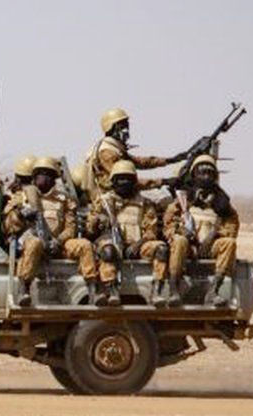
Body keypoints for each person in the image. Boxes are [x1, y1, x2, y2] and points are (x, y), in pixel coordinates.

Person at [3, 157, 105, 306]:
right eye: (39, 174)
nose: (43, 178)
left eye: (47, 174)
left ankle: (92, 290)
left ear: (53, 179)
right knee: (34, 243)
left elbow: (71, 228)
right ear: (34, 177)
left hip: (59, 244)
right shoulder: (22, 197)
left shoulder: (64, 200)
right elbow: (7, 227)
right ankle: (24, 290)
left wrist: (58, 241)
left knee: (84, 245)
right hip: (35, 243)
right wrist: (19, 215)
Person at [88, 160, 171, 306]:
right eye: (120, 179)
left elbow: (151, 230)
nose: (124, 182)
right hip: (111, 243)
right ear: (113, 181)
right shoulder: (103, 201)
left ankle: (157, 290)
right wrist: (99, 220)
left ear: (134, 181)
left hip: (137, 245)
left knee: (161, 249)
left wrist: (139, 244)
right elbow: (90, 229)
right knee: (107, 252)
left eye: (127, 178)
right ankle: (112, 291)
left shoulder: (144, 203)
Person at [163, 155, 239, 307]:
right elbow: (168, 225)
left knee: (229, 243)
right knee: (179, 240)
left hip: (211, 247)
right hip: (188, 248)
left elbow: (232, 227)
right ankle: (174, 290)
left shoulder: (222, 203)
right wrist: (182, 233)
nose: (206, 177)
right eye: (202, 173)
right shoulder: (184, 201)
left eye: (210, 174)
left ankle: (214, 291)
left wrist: (214, 236)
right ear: (194, 175)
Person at [84, 107, 187, 202]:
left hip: (121, 194)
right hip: (111, 197)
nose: (126, 130)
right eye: (122, 126)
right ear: (111, 128)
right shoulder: (107, 152)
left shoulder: (116, 149)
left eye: (126, 125)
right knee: (164, 198)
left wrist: (171, 160)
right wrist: (162, 182)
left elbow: (140, 162)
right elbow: (126, 181)